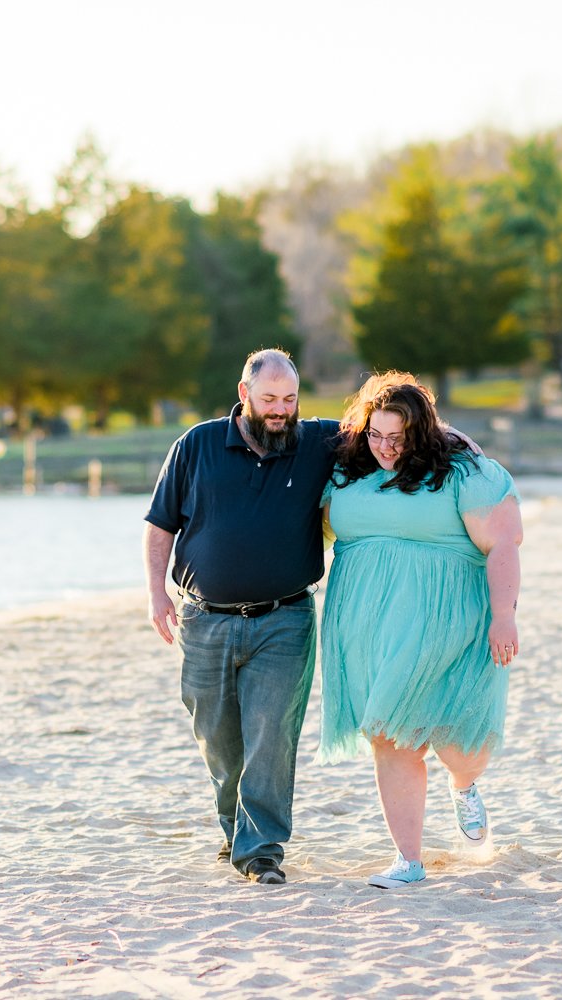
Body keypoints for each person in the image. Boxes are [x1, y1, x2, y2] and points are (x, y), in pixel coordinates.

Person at [143, 348, 342, 885]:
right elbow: (161, 524)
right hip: (204, 620)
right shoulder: (198, 444)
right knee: (217, 738)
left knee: (271, 736)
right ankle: (236, 828)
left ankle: (261, 852)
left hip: (285, 620)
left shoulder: (319, 441)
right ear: (244, 394)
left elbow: (390, 423)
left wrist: (453, 439)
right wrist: (156, 593)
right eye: (270, 398)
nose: (281, 410)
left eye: (290, 399)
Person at [317, 372, 522, 889]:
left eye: (398, 438)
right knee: (388, 734)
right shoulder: (345, 470)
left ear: (422, 435)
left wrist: (504, 615)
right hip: (367, 622)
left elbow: (504, 544)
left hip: (449, 619)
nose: (385, 448)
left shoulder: (460, 470)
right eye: (375, 435)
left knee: (456, 739)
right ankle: (408, 860)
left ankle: (464, 783)